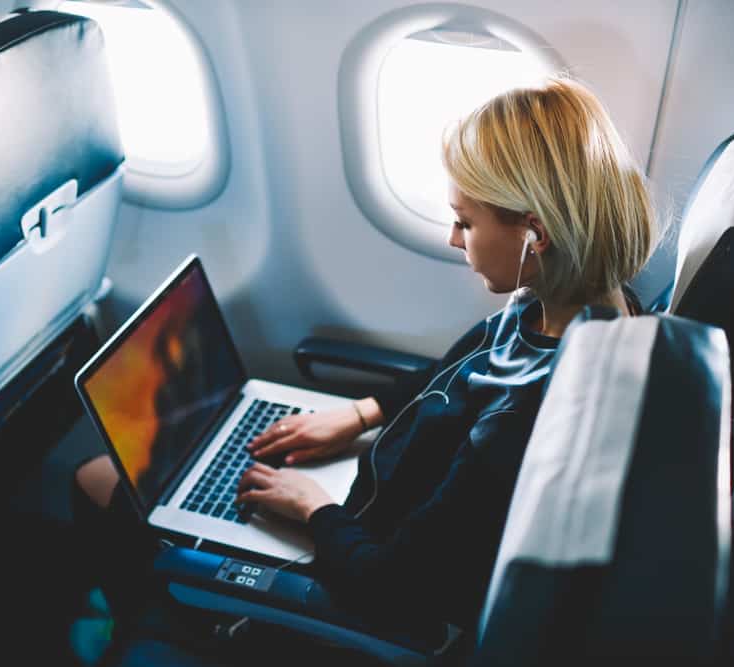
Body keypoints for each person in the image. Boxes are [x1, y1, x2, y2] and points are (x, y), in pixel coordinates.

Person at [71, 75, 655, 647]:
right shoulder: (564, 306)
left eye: (466, 222)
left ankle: (174, 630)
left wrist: (313, 509)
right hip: (374, 497)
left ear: (536, 234)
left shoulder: (524, 417)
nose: (455, 240)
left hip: (359, 559)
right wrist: (358, 415)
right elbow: (454, 375)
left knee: (100, 480)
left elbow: (395, 585)